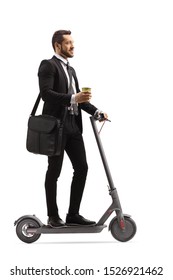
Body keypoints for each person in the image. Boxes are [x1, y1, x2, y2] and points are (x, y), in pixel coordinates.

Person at [38, 30, 108, 227]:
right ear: (57, 45)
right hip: (56, 127)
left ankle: (73, 214)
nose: (72, 46)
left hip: (73, 126)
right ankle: (53, 216)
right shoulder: (48, 65)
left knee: (82, 168)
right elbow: (46, 94)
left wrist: (96, 112)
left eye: (73, 42)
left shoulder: (71, 70)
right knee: (54, 171)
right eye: (68, 43)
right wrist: (72, 98)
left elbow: (78, 99)